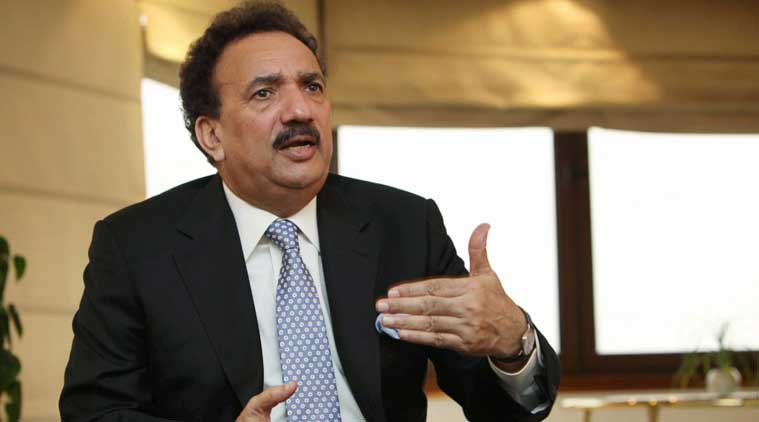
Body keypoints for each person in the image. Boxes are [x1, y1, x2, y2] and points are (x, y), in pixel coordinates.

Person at [60, 1, 559, 421]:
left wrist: (512, 342)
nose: (300, 110)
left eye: (312, 86)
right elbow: (95, 412)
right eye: (265, 93)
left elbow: (503, 410)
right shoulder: (137, 247)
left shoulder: (404, 226)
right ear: (212, 135)